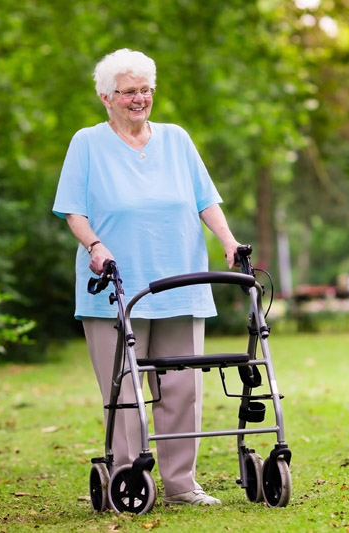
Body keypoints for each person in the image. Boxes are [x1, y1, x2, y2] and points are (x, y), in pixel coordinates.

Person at [52, 48, 241, 506]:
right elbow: (73, 211)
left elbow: (205, 201)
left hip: (181, 283)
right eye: (129, 91)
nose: (139, 99)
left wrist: (229, 240)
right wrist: (95, 247)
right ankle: (129, 481)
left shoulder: (177, 139)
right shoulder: (87, 143)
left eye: (145, 90)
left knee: (181, 388)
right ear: (105, 97)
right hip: (114, 288)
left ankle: (181, 484)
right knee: (124, 392)